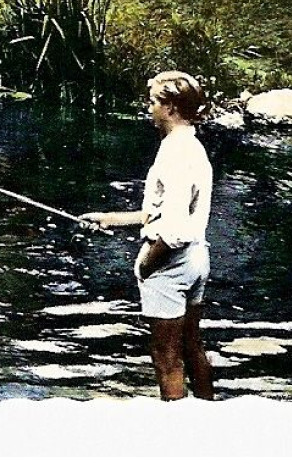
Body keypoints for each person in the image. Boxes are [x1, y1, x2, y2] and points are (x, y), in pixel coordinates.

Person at [82, 70, 215, 400]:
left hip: (171, 263)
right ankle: (210, 421)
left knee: (166, 357)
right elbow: (162, 212)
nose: (149, 108)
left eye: (154, 102)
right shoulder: (192, 146)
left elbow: (171, 232)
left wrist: (145, 265)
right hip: (197, 257)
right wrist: (109, 219)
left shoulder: (174, 153)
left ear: (170, 107)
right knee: (192, 347)